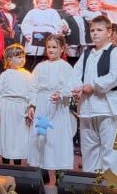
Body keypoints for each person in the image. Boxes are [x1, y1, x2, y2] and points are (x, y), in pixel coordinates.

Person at [71, 16, 117, 175]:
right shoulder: (87, 53)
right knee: (89, 148)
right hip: (88, 108)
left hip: (108, 108)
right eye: (92, 30)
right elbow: (75, 74)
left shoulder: (114, 51)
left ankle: (110, 185)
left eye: (99, 30)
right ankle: (90, 182)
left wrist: (93, 86)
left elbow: (115, 76)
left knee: (110, 148)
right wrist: (77, 88)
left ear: (109, 32)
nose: (95, 33)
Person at [27, 34, 79, 173]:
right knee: (41, 137)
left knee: (57, 138)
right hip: (42, 105)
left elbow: (72, 85)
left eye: (54, 47)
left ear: (62, 49)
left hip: (58, 106)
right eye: (49, 47)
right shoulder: (40, 66)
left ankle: (59, 175)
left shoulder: (66, 67)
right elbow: (33, 87)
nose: (51, 50)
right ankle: (41, 172)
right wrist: (32, 105)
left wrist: (61, 94)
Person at [0, 44, 32, 165]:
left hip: (21, 109)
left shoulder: (27, 75)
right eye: (18, 57)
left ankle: (17, 165)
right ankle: (6, 164)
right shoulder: (5, 75)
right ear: (9, 59)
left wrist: (30, 107)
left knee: (19, 137)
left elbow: (31, 92)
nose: (22, 59)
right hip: (7, 109)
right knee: (7, 136)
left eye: (23, 57)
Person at [20, 0, 63, 66]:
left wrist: (56, 34)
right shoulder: (32, 12)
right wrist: (27, 34)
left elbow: (58, 24)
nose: (43, 4)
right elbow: (26, 24)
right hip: (35, 33)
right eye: (41, 3)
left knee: (47, 52)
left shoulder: (53, 12)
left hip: (49, 33)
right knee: (34, 54)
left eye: (45, 3)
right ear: (37, 4)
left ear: (49, 4)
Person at [60, 0, 91, 65]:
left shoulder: (83, 17)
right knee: (72, 57)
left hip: (83, 41)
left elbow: (86, 28)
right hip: (72, 42)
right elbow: (64, 30)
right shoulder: (66, 18)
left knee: (83, 57)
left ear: (77, 8)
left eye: (69, 9)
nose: (67, 11)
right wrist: (65, 30)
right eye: (66, 10)